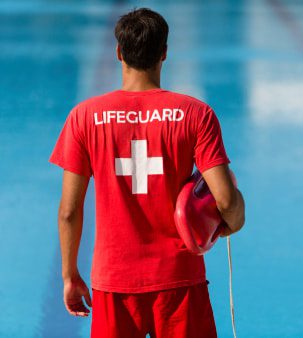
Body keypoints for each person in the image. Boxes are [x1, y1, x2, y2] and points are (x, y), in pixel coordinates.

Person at [48, 8, 245, 338]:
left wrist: (70, 276)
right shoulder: (196, 114)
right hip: (179, 280)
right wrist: (232, 222)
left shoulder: (84, 117)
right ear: (164, 52)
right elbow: (225, 200)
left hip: (114, 282)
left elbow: (69, 211)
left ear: (118, 53)